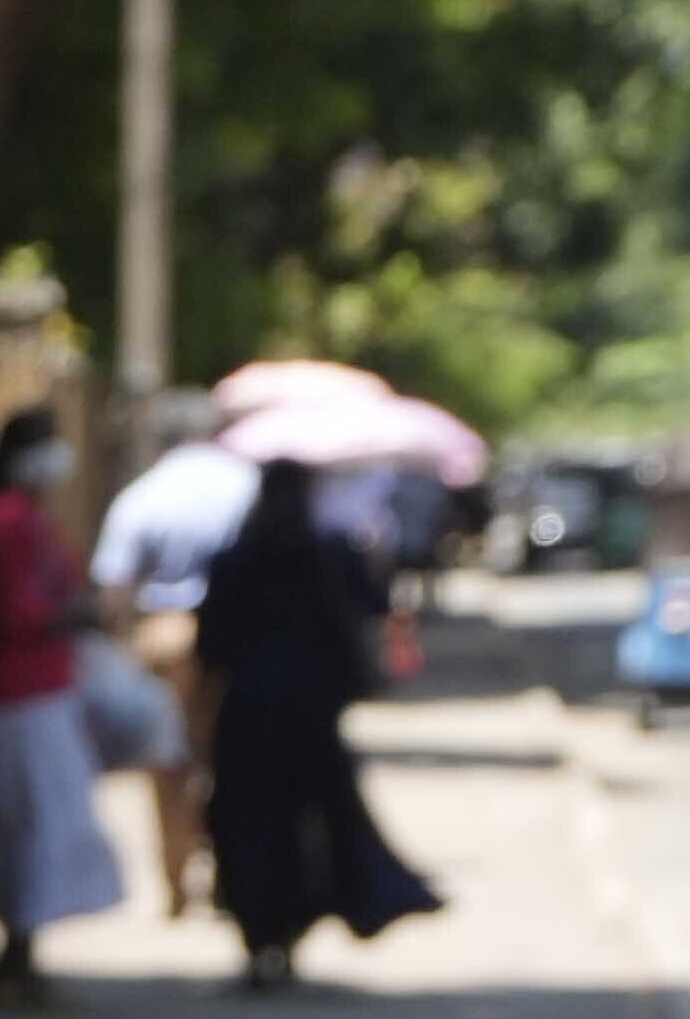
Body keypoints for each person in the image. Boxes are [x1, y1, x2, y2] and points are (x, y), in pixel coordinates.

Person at [195, 456, 447, 986]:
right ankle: (293, 928)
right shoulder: (329, 552)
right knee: (312, 821)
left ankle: (260, 934)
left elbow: (211, 645)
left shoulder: (234, 559)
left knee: (248, 822)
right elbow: (369, 609)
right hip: (311, 713)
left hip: (248, 714)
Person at [0, 405, 117, 1007]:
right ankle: (15, 958)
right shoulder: (9, 521)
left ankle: (19, 956)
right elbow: (14, 611)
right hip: (20, 694)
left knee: (35, 822)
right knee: (30, 823)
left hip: (39, 691)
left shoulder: (25, 517)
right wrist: (72, 615)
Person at [87, 396, 257, 916]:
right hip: (236, 633)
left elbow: (115, 587)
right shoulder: (248, 486)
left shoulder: (144, 494)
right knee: (235, 758)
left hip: (163, 633)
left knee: (166, 764)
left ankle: (175, 882)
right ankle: (231, 873)